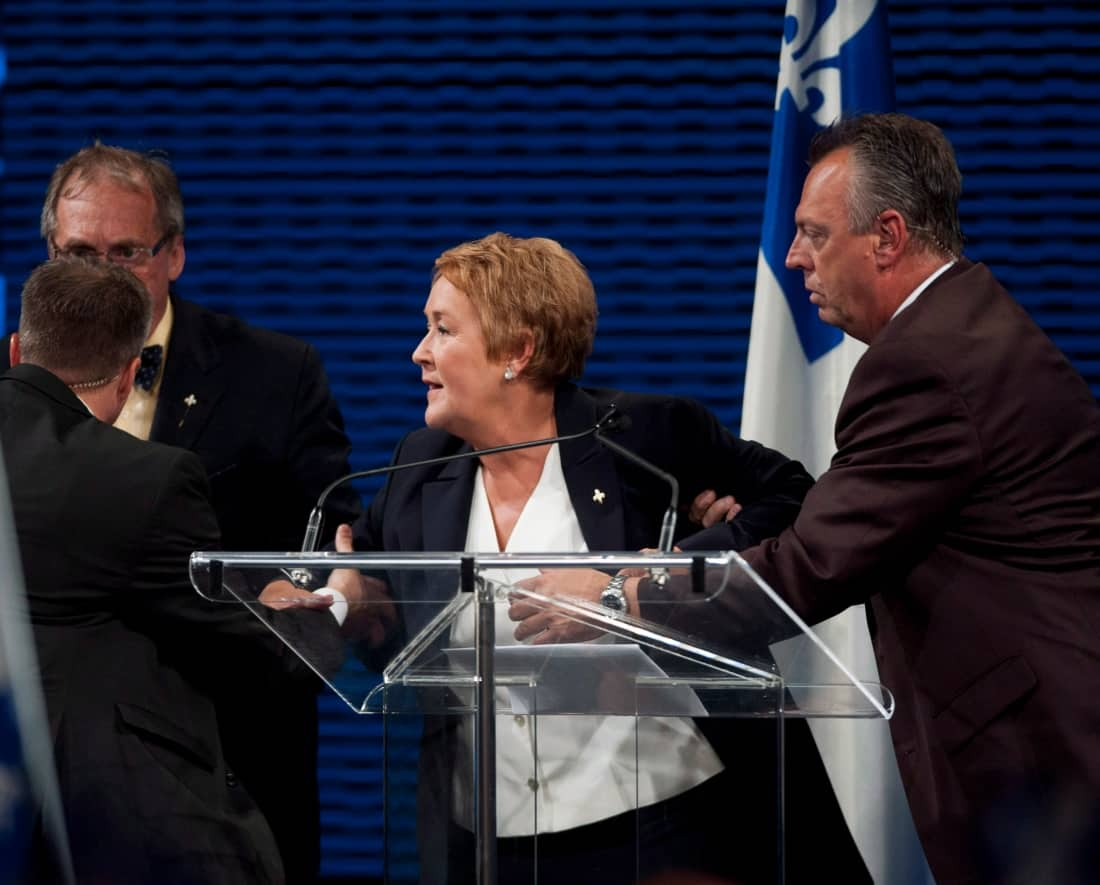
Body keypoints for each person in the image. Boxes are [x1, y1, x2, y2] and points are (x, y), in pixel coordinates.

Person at [312, 232, 868, 884]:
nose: (420, 352)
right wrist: (346, 597)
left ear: (518, 350)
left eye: (442, 329)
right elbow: (388, 611)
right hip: (489, 845)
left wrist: (640, 576)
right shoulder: (418, 465)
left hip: (663, 827)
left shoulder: (642, 438)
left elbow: (795, 500)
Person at [687, 113, 1099, 883]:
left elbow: (812, 567)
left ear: (886, 235)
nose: (792, 256)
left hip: (1048, 772)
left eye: (813, 232)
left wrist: (631, 590)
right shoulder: (966, 326)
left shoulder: (928, 365)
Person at [0, 142, 360, 882]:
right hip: (28, 787)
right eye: (78, 251)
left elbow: (328, 537)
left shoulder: (276, 372)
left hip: (222, 775)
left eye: (126, 251)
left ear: (175, 254)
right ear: (48, 253)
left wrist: (304, 594)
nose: (100, 273)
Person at [0, 257, 335, 884]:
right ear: (127, 377)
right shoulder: (146, 480)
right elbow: (236, 645)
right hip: (93, 826)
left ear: (17, 349)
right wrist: (316, 615)